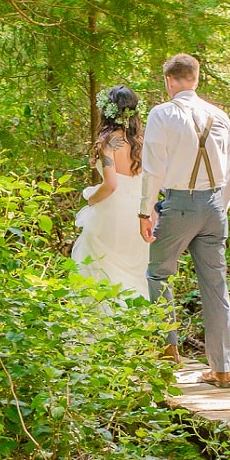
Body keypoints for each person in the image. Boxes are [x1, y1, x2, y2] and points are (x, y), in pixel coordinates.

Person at [141, 53, 230, 387]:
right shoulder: (220, 116)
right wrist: (219, 209)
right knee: (215, 287)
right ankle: (222, 368)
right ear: (196, 79)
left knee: (158, 273)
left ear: (169, 80)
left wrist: (145, 211)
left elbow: (153, 167)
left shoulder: (162, 114)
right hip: (214, 206)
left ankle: (168, 350)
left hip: (179, 204)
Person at [69, 85, 151, 301]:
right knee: (132, 273)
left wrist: (91, 199)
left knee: (102, 271)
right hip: (137, 212)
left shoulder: (108, 142)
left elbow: (111, 185)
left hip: (112, 212)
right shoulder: (143, 143)